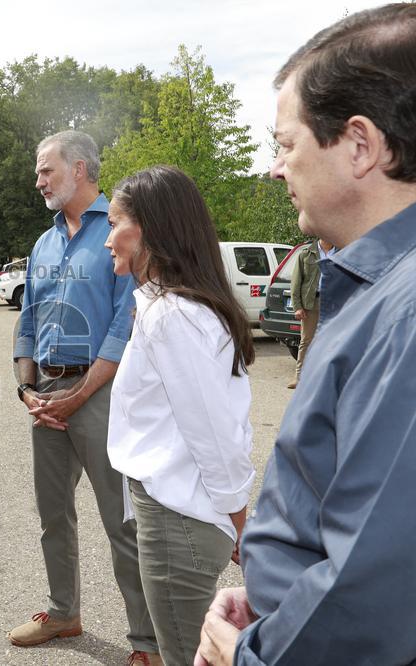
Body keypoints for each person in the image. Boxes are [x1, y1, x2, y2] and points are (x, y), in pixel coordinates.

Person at [196, 4, 416, 664]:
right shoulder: (380, 290)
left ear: (360, 145)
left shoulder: (405, 313)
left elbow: (372, 593)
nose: (275, 167)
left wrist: (252, 654)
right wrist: (274, 601)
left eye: (286, 144)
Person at [10, 130, 160, 666]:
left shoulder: (120, 232)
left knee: (122, 521)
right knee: (53, 514)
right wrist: (27, 388)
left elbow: (126, 322)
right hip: (45, 397)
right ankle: (62, 612)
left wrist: (79, 395)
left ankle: (148, 641)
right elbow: (28, 319)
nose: (38, 180)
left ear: (79, 169)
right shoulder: (43, 243)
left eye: (45, 169)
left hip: (100, 394)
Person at [105, 166, 255, 666]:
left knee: (187, 656)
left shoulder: (173, 315)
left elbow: (214, 435)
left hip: (181, 520)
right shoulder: (168, 308)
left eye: (115, 224)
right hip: (181, 513)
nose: (107, 239)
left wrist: (240, 523)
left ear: (149, 229)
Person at [286, 237, 335, 389]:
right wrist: (297, 307)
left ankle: (326, 377)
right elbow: (296, 283)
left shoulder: (341, 251)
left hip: (334, 302)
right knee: (306, 340)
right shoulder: (306, 254)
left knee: (332, 340)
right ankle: (299, 377)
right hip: (311, 303)